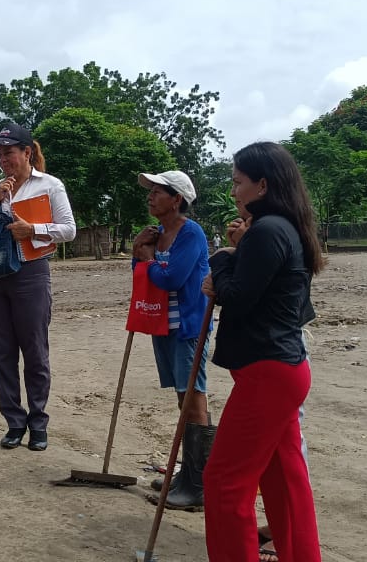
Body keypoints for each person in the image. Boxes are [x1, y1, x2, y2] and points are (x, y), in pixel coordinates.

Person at [201, 142, 324, 562]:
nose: (233, 191)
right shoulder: (283, 227)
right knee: (284, 479)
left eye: (238, 182)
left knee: (224, 482)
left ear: (263, 185)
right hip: (283, 369)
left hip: (267, 372)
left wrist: (220, 263)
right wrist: (234, 258)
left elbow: (237, 297)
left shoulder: (269, 230)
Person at [0, 122, 76, 451]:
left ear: (27, 152)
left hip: (31, 272)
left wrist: (34, 230)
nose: (3, 160)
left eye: (9, 153)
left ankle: (38, 422)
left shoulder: (50, 185)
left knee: (35, 351)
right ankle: (14, 422)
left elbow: (69, 229)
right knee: (2, 352)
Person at [129, 170, 212, 512]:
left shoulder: (190, 233)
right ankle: (188, 475)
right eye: (150, 191)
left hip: (188, 328)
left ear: (176, 199)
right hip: (164, 326)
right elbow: (141, 274)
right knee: (183, 398)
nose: (150, 196)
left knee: (194, 399)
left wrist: (147, 258)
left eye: (157, 191)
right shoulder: (158, 233)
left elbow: (172, 279)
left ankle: (199, 484)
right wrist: (138, 249)